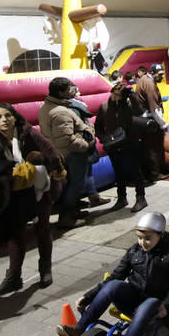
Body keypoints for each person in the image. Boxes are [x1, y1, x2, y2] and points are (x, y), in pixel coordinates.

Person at [56, 212, 169, 336]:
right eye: (139, 237)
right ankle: (80, 328)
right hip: (133, 298)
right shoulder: (134, 250)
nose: (142, 242)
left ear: (160, 235)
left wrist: (167, 305)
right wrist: (87, 297)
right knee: (113, 285)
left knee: (148, 306)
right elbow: (116, 276)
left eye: (148, 238)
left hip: (154, 304)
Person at [0, 103, 64, 296]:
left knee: (42, 229)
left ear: (14, 116)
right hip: (14, 191)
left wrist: (54, 172)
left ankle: (45, 270)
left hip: (39, 187)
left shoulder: (27, 132)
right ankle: (13, 278)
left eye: (7, 115)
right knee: (15, 234)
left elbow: (50, 151)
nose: (4, 120)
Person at [38, 77, 94, 228]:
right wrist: (87, 144)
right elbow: (67, 140)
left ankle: (72, 211)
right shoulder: (60, 112)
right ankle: (66, 217)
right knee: (75, 185)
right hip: (72, 154)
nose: (72, 91)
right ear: (61, 92)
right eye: (69, 89)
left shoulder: (47, 107)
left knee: (70, 184)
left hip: (62, 153)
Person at [95, 83, 147, 213]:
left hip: (130, 143)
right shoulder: (105, 107)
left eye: (118, 95)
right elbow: (98, 126)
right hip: (113, 145)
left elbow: (139, 111)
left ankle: (141, 198)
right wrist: (104, 139)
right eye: (113, 93)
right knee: (118, 173)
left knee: (136, 171)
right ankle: (121, 198)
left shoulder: (129, 106)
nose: (114, 96)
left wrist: (132, 95)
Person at [135, 63, 169, 182]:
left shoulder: (143, 79)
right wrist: (163, 124)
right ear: (152, 73)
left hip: (142, 120)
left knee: (148, 148)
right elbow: (154, 109)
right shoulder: (150, 84)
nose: (162, 77)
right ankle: (155, 173)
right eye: (160, 75)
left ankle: (150, 173)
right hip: (150, 121)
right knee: (154, 148)